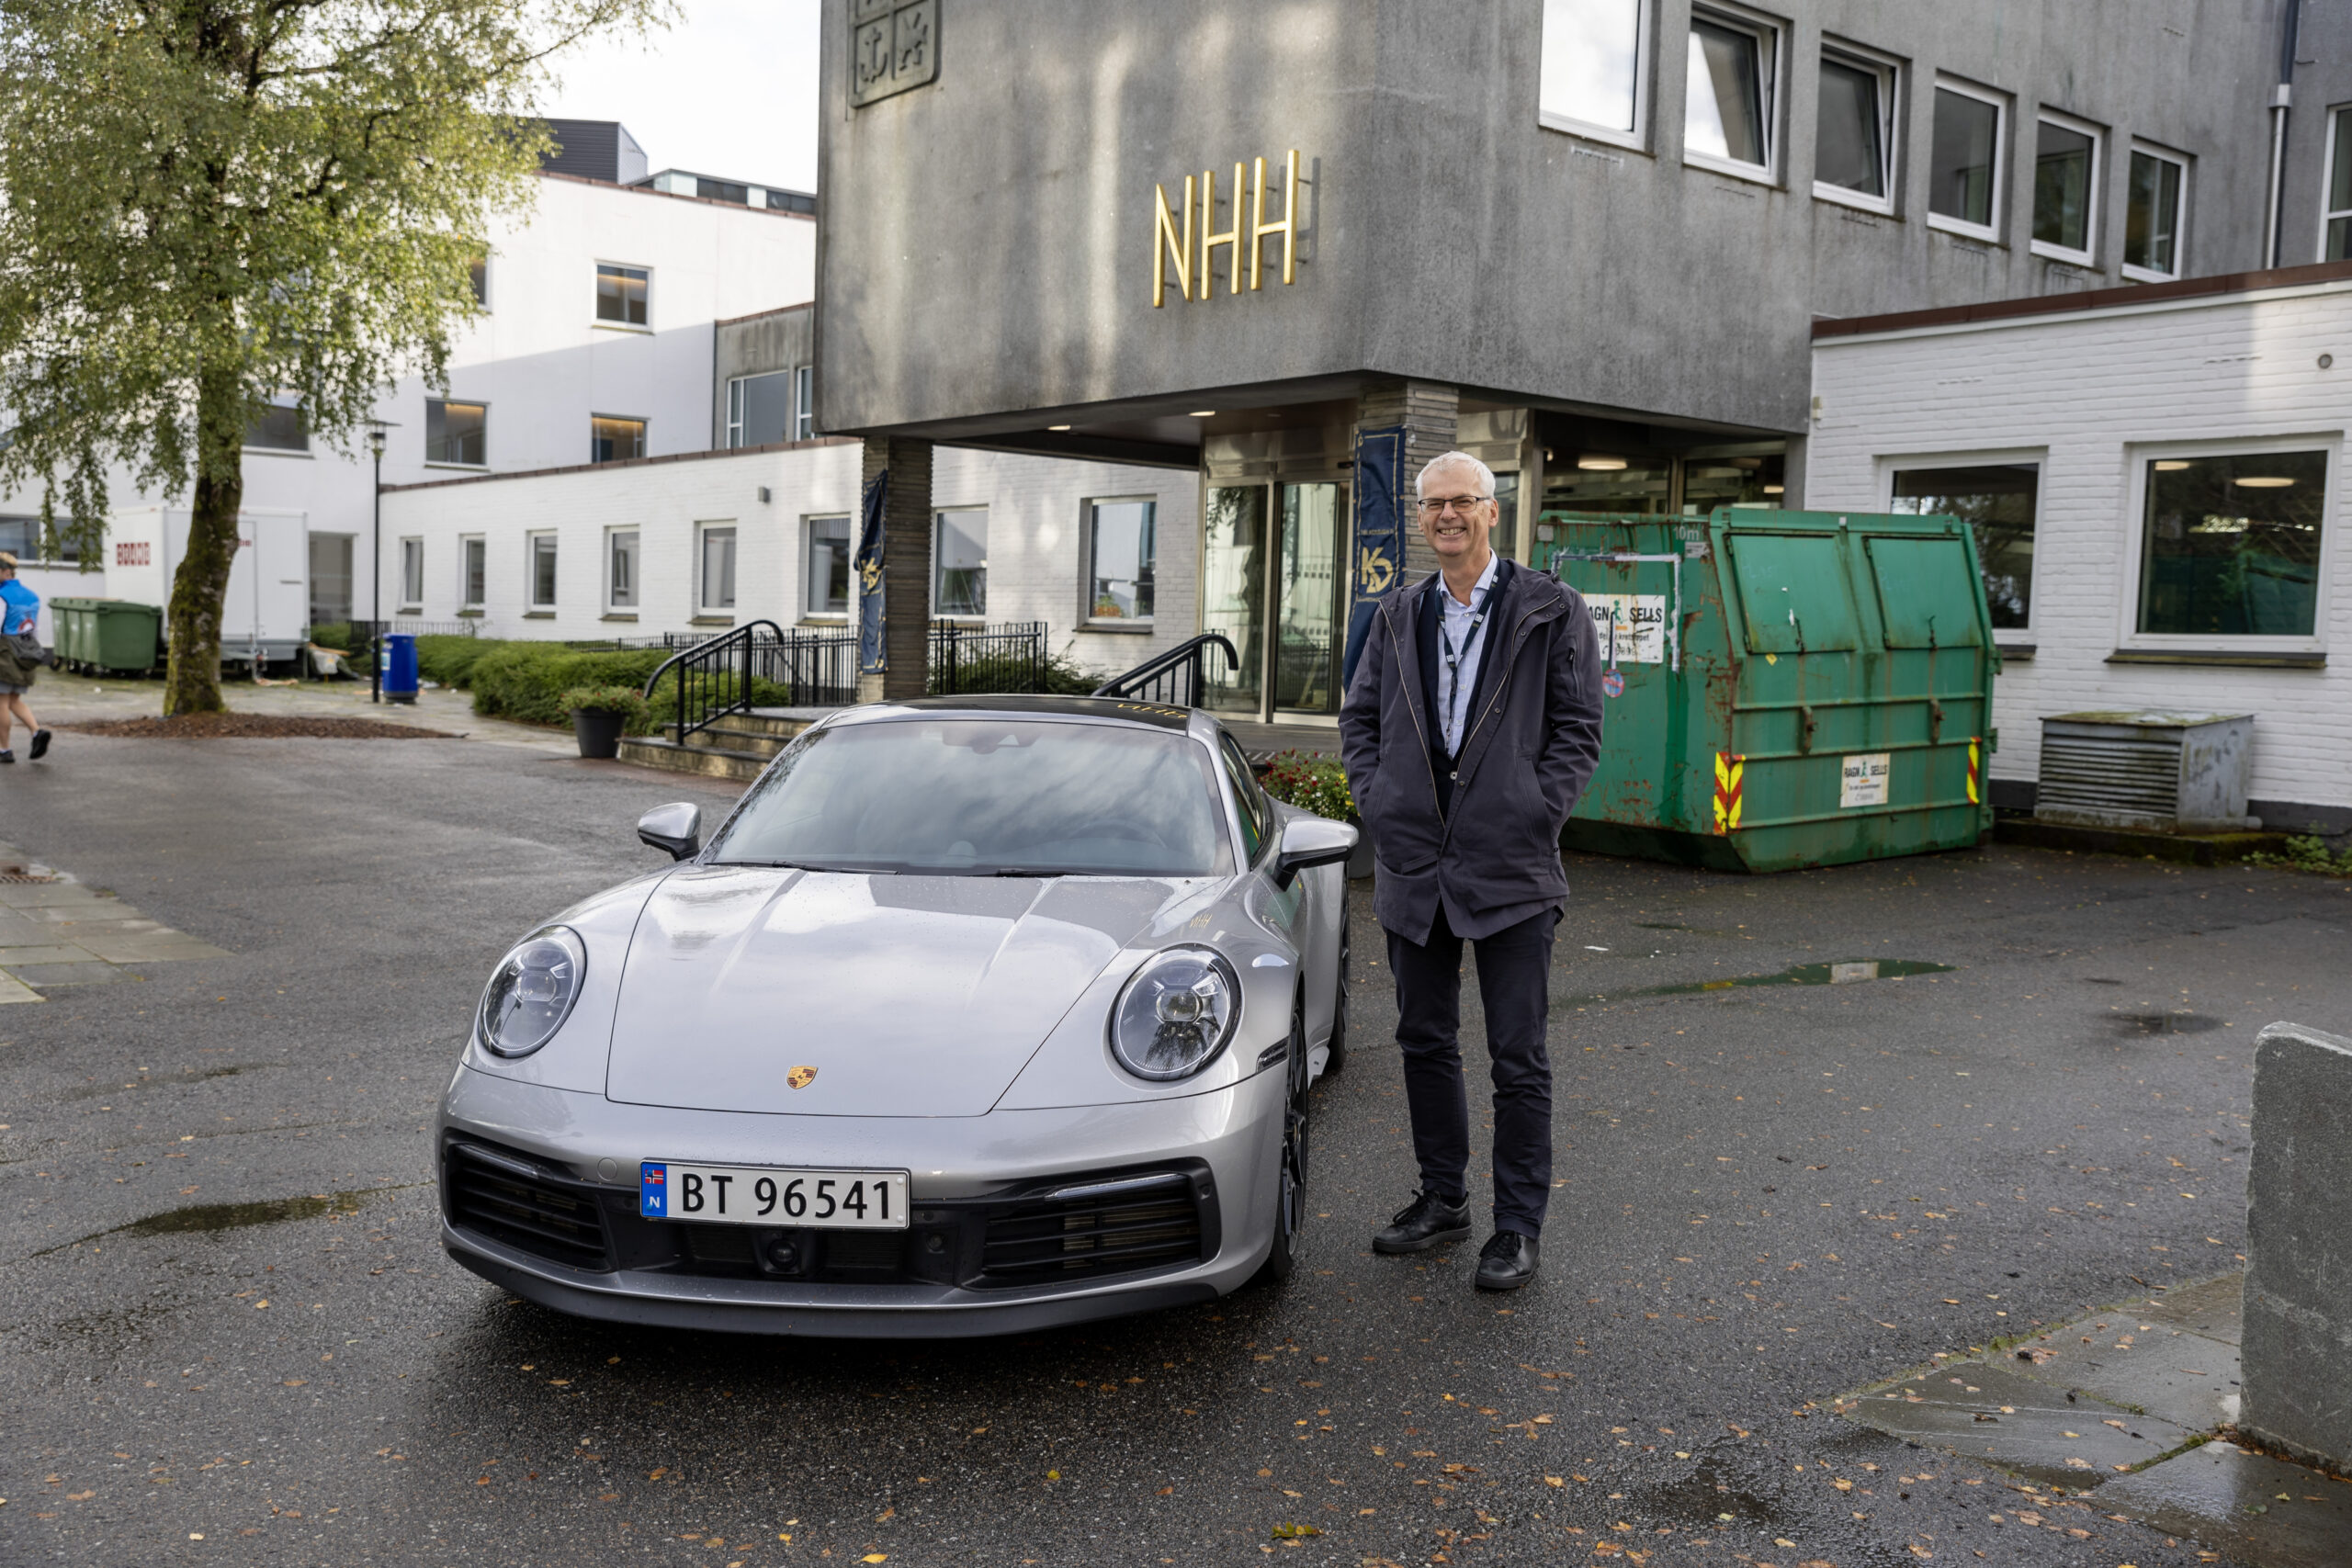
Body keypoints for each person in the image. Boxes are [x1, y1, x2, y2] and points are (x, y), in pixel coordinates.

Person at [1337, 451, 1604, 1292]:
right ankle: (1445, 1198)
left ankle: (1517, 1227)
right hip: (1416, 863)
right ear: (1420, 518)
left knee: (1518, 1055)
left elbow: (1578, 728)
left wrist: (1533, 809)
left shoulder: (1551, 610)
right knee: (1424, 1040)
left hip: (1511, 867)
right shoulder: (1395, 614)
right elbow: (1360, 717)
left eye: (1461, 502)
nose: (1445, 515)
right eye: (1431, 504)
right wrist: (1379, 802)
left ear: (1493, 511)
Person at [0, 552, 52, 764]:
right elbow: (35, 628)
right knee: (13, 699)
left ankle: (4, 750)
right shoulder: (32, 595)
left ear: (5, 571)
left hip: (5, 652)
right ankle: (36, 732)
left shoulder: (2, 596)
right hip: (27, 650)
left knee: (1, 701)